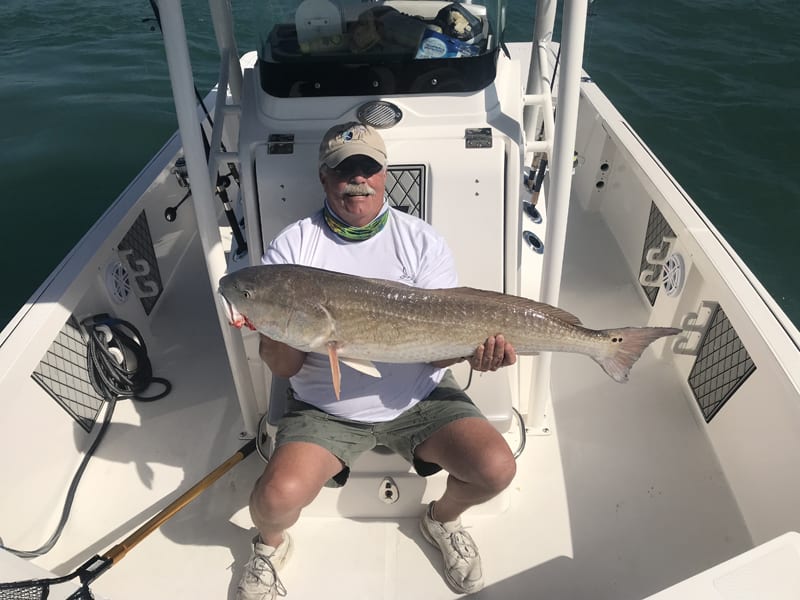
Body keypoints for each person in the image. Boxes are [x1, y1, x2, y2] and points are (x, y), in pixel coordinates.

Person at [237, 122, 517, 599]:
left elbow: (443, 339)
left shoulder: (420, 240)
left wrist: (479, 354)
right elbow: (283, 369)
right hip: (325, 410)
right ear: (324, 177)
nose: (357, 180)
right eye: (343, 170)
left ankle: (442, 519)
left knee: (496, 468)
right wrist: (269, 325)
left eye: (368, 169)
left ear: (384, 174)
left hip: (421, 398)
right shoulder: (294, 248)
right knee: (273, 498)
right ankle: (269, 546)